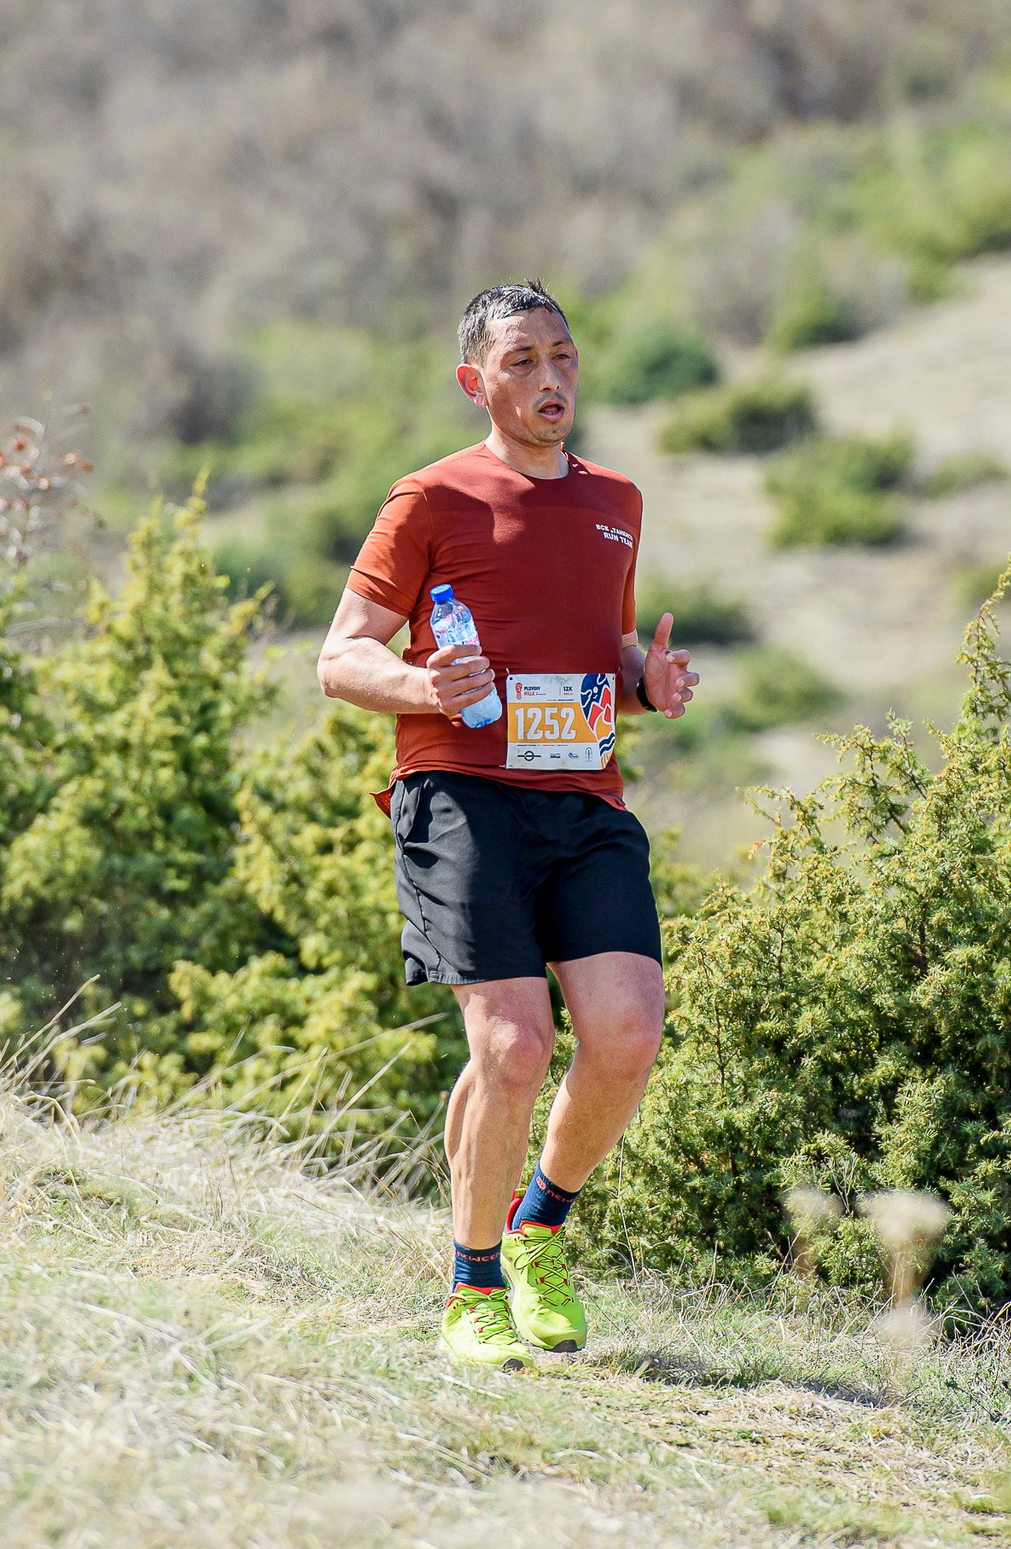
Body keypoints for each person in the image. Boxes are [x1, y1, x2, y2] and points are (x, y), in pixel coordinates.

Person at [317, 281, 699, 1370]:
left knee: (625, 1036)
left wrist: (645, 678)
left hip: (583, 798)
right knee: (514, 1045)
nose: (549, 380)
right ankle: (472, 1282)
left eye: (563, 358)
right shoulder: (430, 499)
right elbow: (339, 658)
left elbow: (600, 648)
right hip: (462, 796)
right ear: (474, 381)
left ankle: (538, 1227)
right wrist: (429, 690)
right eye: (522, 361)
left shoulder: (615, 498)